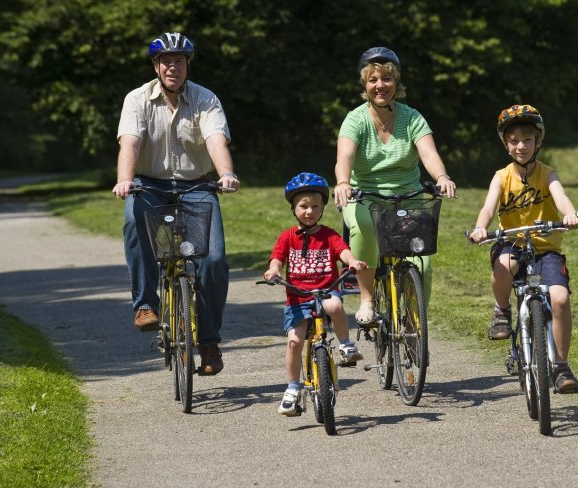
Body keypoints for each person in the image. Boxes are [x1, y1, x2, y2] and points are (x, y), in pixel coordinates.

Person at [112, 31, 240, 376]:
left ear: (187, 65)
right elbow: (130, 144)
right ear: (156, 66)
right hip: (148, 185)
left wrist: (226, 173)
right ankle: (145, 306)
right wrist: (125, 179)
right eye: (166, 61)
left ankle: (209, 341)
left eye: (179, 61)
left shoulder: (205, 99)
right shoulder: (137, 99)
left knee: (213, 262)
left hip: (197, 186)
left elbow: (215, 140)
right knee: (132, 220)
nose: (173, 67)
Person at [333, 46, 456, 326]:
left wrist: (442, 178)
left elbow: (429, 154)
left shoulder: (411, 117)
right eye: (373, 80)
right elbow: (345, 157)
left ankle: (415, 321)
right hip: (364, 195)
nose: (380, 86)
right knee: (363, 226)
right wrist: (342, 183)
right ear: (365, 84)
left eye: (386, 79)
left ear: (396, 83)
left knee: (422, 262)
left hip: (408, 196)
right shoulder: (356, 119)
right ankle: (366, 299)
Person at [468, 104, 578, 393]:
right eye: (514, 140)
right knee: (505, 264)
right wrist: (481, 227)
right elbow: (488, 207)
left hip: (546, 249)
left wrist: (570, 215)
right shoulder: (501, 177)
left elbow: (561, 197)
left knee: (559, 298)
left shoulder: (548, 174)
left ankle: (561, 366)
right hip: (512, 242)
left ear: (538, 142)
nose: (521, 146)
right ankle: (502, 310)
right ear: (506, 145)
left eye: (528, 140)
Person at [264, 172, 368, 416]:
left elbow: (344, 252)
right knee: (294, 342)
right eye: (303, 206)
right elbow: (277, 258)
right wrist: (273, 270)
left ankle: (345, 345)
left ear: (322, 208)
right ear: (293, 208)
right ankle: (292, 388)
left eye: (315, 206)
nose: (309, 211)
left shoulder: (329, 235)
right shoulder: (288, 237)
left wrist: (353, 262)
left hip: (325, 292)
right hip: (298, 298)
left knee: (334, 306)